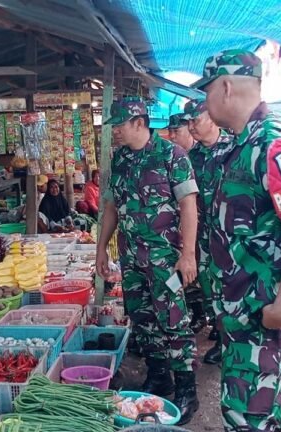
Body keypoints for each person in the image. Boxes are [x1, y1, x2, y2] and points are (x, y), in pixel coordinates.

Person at [193, 49, 281, 431]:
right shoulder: (241, 146)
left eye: (207, 92)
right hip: (238, 313)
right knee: (255, 413)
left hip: (259, 315)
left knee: (250, 417)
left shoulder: (273, 146)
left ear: (226, 87)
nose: (204, 102)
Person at [96, 96, 199, 425]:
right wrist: (102, 248)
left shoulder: (172, 155)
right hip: (131, 258)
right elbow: (111, 207)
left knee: (174, 321)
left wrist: (188, 254)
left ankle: (187, 389)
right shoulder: (121, 160)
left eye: (120, 126)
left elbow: (189, 207)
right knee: (142, 320)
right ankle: (160, 378)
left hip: (165, 259)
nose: (116, 133)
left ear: (139, 122)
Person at [184, 98, 234, 364]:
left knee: (231, 289)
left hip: (231, 237)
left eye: (195, 120)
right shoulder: (192, 157)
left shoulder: (234, 149)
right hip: (203, 237)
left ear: (212, 118)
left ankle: (233, 342)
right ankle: (221, 335)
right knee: (209, 288)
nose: (191, 126)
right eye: (188, 122)